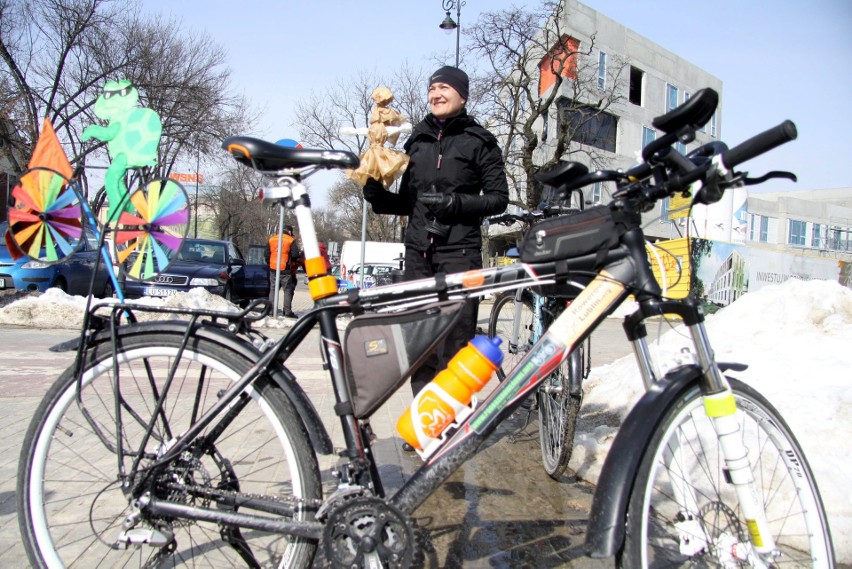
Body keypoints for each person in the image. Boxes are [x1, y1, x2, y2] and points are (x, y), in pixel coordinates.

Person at [362, 66, 509, 449]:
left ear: (461, 94)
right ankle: (427, 427)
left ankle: (455, 425)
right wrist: (379, 197)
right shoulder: (417, 140)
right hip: (418, 253)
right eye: (432, 89)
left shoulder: (480, 140)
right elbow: (408, 202)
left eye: (444, 87)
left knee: (455, 343)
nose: (436, 94)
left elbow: (498, 197)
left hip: (459, 251)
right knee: (420, 344)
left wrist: (455, 203)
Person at [268, 225, 301, 317]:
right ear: (289, 232)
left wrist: (270, 263)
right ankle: (287, 311)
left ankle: (271, 311)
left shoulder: (272, 239)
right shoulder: (290, 240)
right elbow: (295, 255)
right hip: (285, 269)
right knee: (287, 290)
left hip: (273, 268)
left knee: (273, 289)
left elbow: (266, 254)